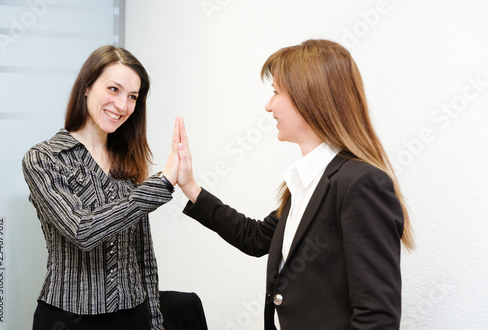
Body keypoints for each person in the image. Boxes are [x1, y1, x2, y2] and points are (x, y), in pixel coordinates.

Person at [175, 39, 414, 329]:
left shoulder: (360, 184)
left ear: (310, 97)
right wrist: (189, 185)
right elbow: (255, 237)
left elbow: (377, 318)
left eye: (276, 92)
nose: (268, 105)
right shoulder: (306, 182)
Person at [22, 45, 180, 330]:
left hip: (134, 316)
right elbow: (82, 230)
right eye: (113, 89)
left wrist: (155, 322)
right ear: (87, 87)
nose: (122, 105)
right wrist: (161, 184)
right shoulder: (44, 158)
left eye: (132, 97)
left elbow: (143, 254)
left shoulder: (128, 162)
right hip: (67, 318)